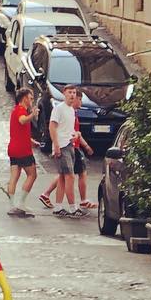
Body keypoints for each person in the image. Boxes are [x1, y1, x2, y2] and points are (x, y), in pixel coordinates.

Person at [43, 85, 90, 216]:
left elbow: (68, 129)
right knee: (69, 177)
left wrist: (75, 135)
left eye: (74, 93)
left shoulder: (71, 111)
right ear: (64, 93)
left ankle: (58, 207)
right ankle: (73, 207)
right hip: (62, 146)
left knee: (63, 178)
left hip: (69, 145)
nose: (72, 95)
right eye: (70, 92)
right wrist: (56, 145)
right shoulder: (58, 109)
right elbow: (52, 127)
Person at [4, 86, 37, 215]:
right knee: (32, 175)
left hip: (14, 148)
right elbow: (22, 121)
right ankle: (21, 203)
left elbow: (20, 130)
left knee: (14, 177)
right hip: (23, 150)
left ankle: (12, 205)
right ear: (24, 99)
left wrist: (31, 141)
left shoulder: (16, 110)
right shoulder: (21, 110)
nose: (32, 101)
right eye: (31, 98)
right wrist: (32, 115)